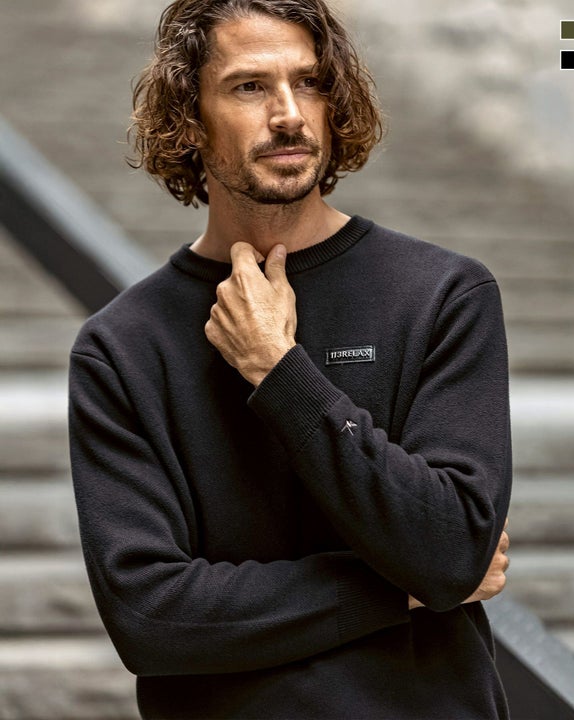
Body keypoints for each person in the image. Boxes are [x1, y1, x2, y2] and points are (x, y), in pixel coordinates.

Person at [68, 0, 512, 718]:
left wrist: (279, 371)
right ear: (189, 119)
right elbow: (150, 617)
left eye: (309, 83)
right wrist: (397, 590)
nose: (289, 115)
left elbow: (453, 548)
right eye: (249, 86)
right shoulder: (121, 346)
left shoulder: (443, 295)